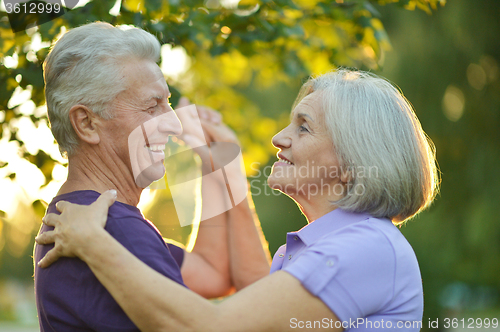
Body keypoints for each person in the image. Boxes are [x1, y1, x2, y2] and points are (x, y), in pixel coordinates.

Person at [36, 69, 439, 331]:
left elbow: (211, 326)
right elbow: (246, 290)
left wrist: (94, 244)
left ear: (351, 162)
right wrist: (223, 171)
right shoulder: (321, 247)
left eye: (303, 128)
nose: (278, 138)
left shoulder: (363, 250)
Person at [33, 22, 271, 331]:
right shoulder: (113, 228)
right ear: (87, 123)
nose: (174, 123)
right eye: (152, 106)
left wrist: (219, 167)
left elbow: (215, 275)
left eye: (168, 102)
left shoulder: (91, 219)